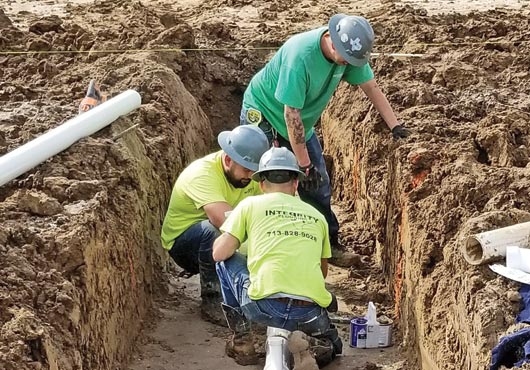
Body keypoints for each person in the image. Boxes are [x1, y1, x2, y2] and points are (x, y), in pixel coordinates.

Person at [240, 14, 411, 265]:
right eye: (344, 57)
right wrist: (303, 164)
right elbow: (291, 114)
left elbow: (371, 87)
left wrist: (395, 125)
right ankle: (255, 244)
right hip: (265, 115)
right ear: (331, 39)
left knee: (318, 186)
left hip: (301, 123)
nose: (346, 63)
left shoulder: (350, 52)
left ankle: (328, 244)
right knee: (267, 182)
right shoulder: (300, 56)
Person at [213, 147, 342, 367]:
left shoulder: (250, 205)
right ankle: (309, 344)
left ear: (261, 183)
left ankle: (242, 342)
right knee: (334, 345)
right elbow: (322, 272)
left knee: (226, 262)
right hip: (308, 311)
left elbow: (219, 254)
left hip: (263, 307)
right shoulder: (318, 216)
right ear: (295, 184)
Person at [160, 125, 269, 325]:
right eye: (246, 170)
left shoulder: (250, 174)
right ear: (228, 160)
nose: (250, 177)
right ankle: (212, 300)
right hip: (186, 244)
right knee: (213, 232)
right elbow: (225, 223)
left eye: (255, 172)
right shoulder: (202, 174)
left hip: (227, 238)